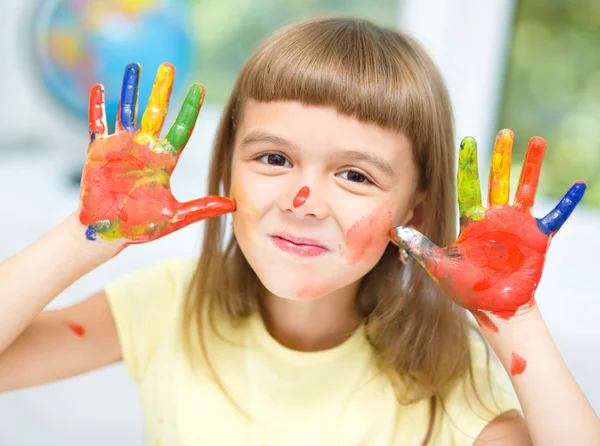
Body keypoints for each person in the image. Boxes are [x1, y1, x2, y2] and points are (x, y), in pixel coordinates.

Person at [0, 16, 598, 446]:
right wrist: (87, 235)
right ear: (227, 164)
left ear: (414, 208)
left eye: (355, 174)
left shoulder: (445, 376)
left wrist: (513, 320)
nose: (303, 202)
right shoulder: (169, 304)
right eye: (275, 159)